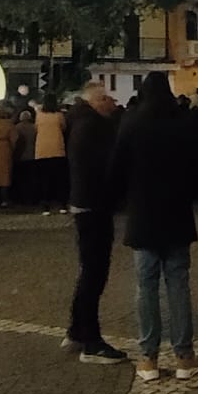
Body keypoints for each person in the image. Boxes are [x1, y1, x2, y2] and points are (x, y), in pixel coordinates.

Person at [110, 71, 198, 382]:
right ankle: (184, 356)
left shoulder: (132, 123)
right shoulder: (183, 122)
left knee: (146, 286)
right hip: (176, 213)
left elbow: (117, 167)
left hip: (144, 214)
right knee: (178, 284)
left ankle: (148, 357)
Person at [64, 81, 127, 364]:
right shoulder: (93, 128)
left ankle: (78, 329)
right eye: (108, 98)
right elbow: (106, 167)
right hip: (94, 205)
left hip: (85, 202)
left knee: (89, 270)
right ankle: (91, 340)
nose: (113, 103)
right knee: (94, 272)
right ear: (97, 101)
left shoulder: (81, 123)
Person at [35, 93, 68, 214]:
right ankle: (62, 205)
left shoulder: (39, 115)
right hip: (57, 148)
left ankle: (45, 206)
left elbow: (36, 128)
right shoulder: (59, 115)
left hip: (42, 150)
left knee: (44, 179)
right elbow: (63, 128)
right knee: (60, 179)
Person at [13, 106, 37, 204]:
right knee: (31, 178)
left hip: (20, 156)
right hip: (32, 155)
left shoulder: (17, 128)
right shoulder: (34, 127)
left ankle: (20, 198)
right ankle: (31, 197)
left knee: (21, 178)